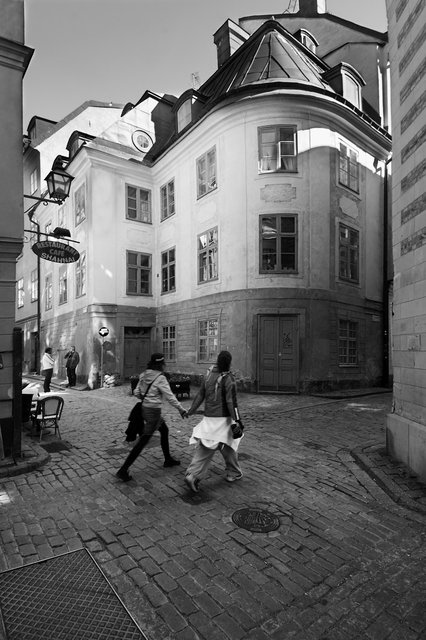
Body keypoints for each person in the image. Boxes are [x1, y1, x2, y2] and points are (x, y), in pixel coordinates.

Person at [116, 353, 188, 482]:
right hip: (153, 411)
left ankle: (168, 459)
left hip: (144, 408)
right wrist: (181, 409)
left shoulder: (144, 375)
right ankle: (123, 470)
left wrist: (145, 397)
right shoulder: (160, 378)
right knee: (143, 440)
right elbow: (170, 397)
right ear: (161, 364)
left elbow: (136, 392)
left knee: (164, 430)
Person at [184, 350, 244, 493]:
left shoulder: (209, 374)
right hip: (223, 420)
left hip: (209, 419)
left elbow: (200, 395)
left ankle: (233, 471)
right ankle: (194, 475)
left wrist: (191, 410)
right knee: (214, 447)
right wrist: (238, 420)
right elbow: (231, 402)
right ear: (229, 363)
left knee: (226, 445)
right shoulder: (228, 378)